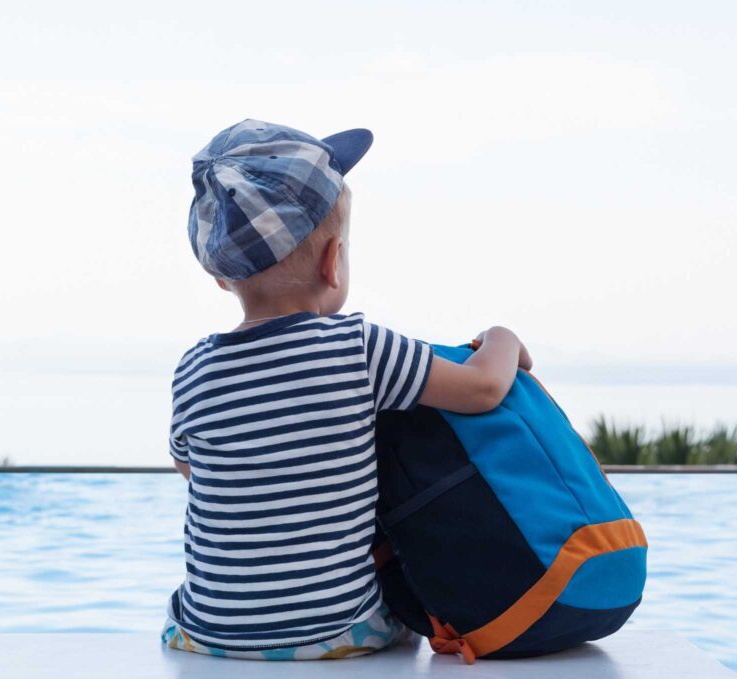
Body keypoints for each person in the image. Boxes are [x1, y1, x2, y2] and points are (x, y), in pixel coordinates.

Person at [162, 119, 532, 660]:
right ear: (334, 262)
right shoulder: (358, 347)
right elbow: (481, 390)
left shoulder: (193, 368)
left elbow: (190, 468)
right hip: (336, 633)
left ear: (222, 276)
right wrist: (502, 337)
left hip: (206, 634)